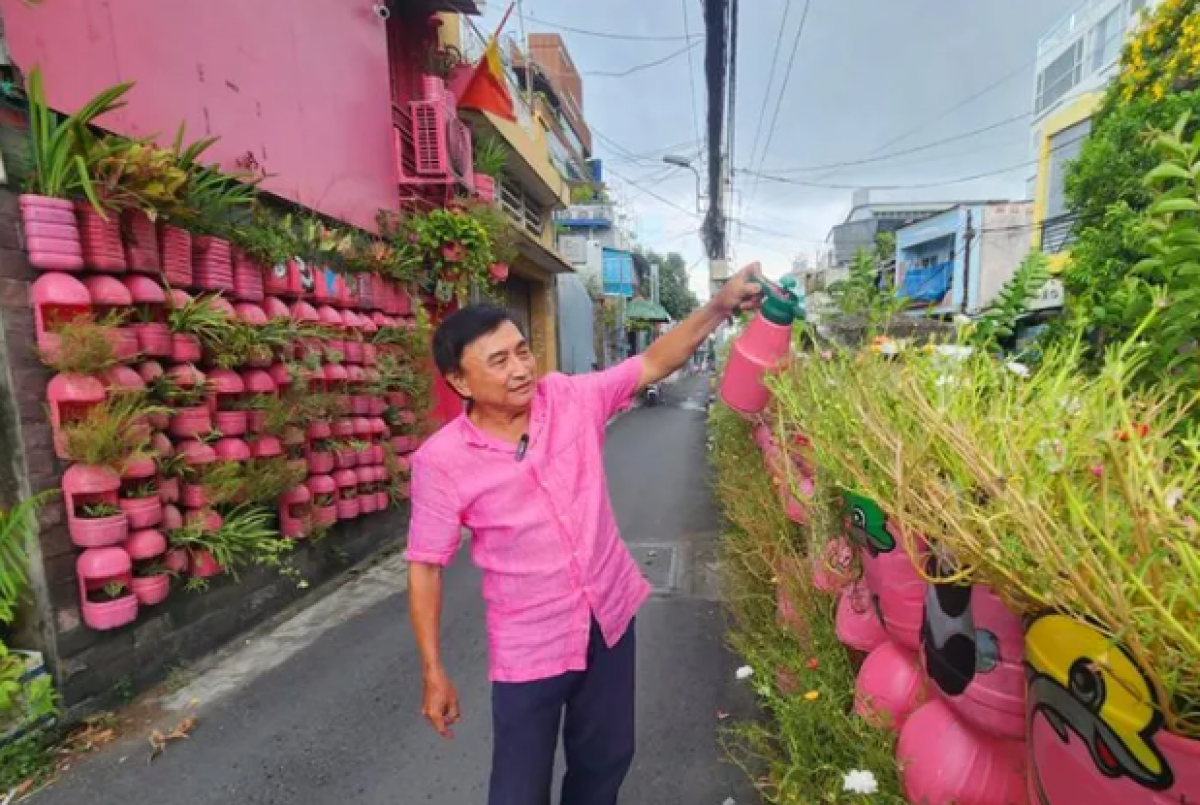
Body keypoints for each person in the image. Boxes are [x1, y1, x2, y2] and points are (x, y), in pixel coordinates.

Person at [405, 264, 764, 805]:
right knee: (518, 790)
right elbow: (425, 564)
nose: (520, 369)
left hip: (609, 617)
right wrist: (433, 670)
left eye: (522, 351)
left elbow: (653, 361)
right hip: (531, 643)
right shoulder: (442, 462)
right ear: (458, 380)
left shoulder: (569, 399)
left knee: (605, 762)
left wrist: (718, 307)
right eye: (498, 361)